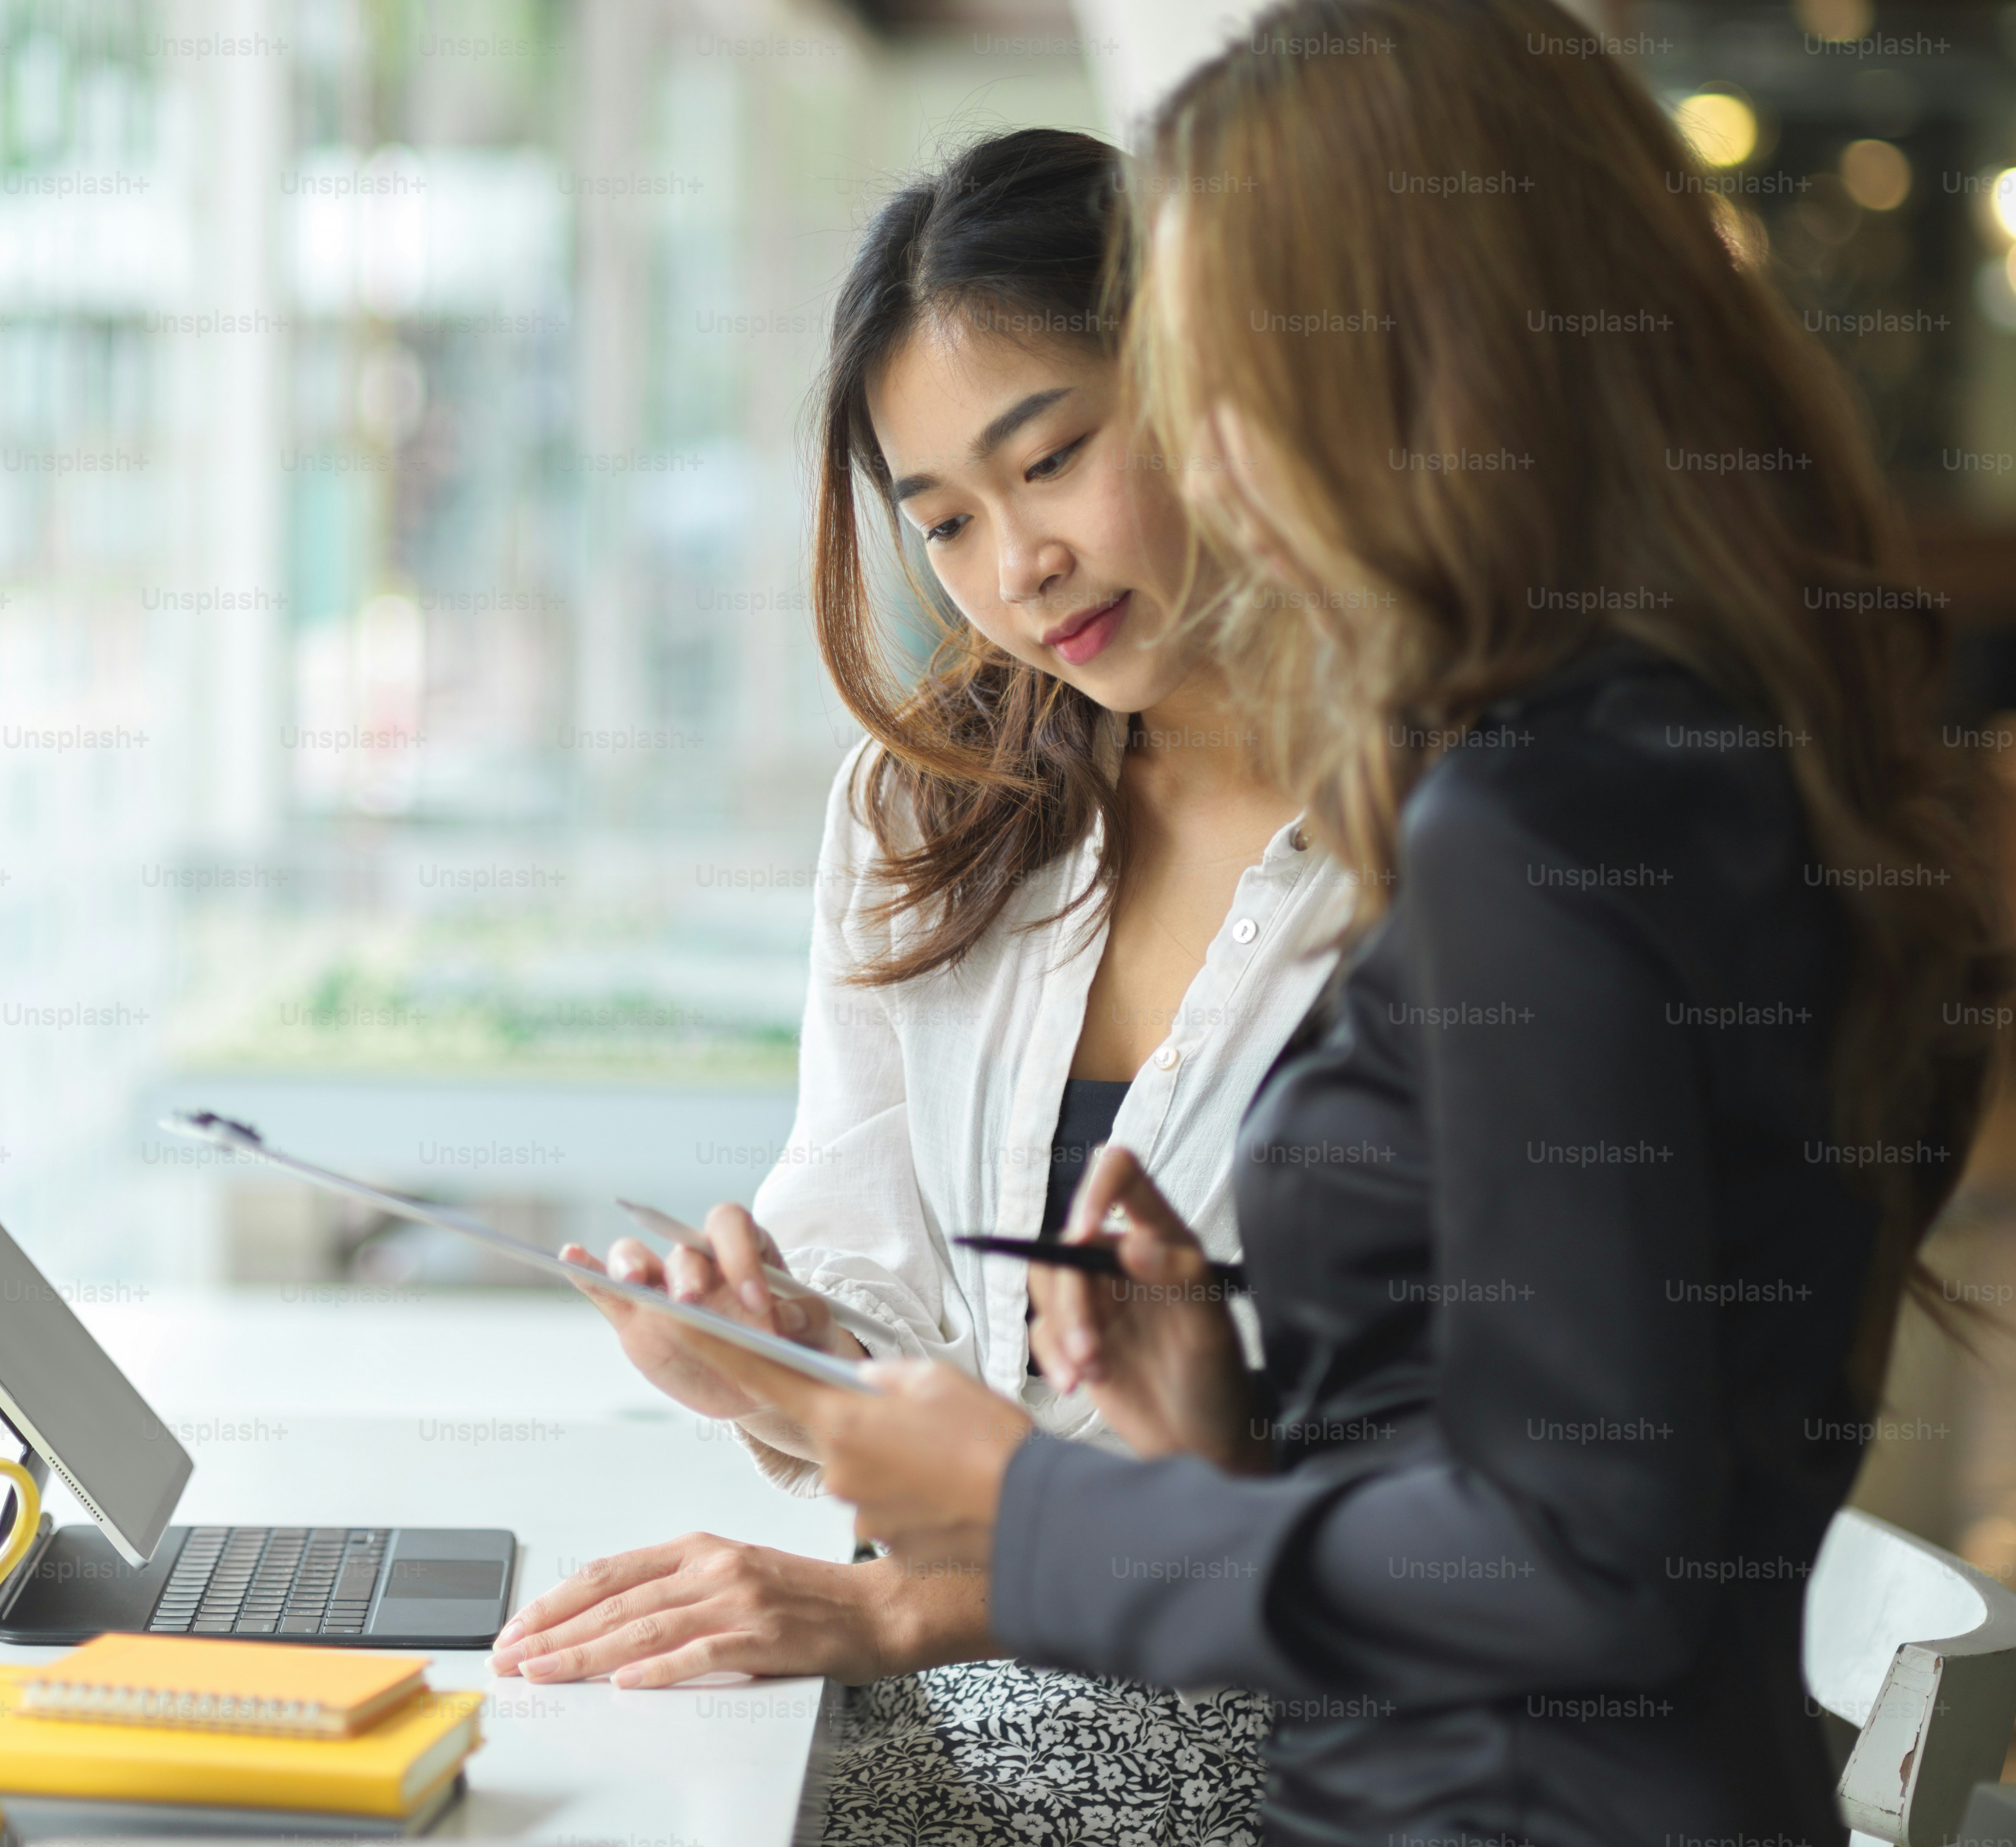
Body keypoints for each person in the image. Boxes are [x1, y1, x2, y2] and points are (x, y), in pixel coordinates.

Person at [670, 4, 2008, 1844]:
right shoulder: (1717, 750)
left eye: (1211, 379)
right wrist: (1206, 1438)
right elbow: (1608, 1462)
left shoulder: (1520, 817)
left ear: (1410, 354)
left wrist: (1036, 1512)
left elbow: (1579, 1562)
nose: (1210, 467)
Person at [489, 130, 1354, 1843]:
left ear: (1217, 384)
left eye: (1053, 461)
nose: (1014, 567)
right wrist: (787, 1362)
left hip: (1299, 1745)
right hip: (977, 1675)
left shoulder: (1441, 838)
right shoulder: (934, 805)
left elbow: (1427, 1522)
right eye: (944, 519)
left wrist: (897, 1608)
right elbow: (930, 1354)